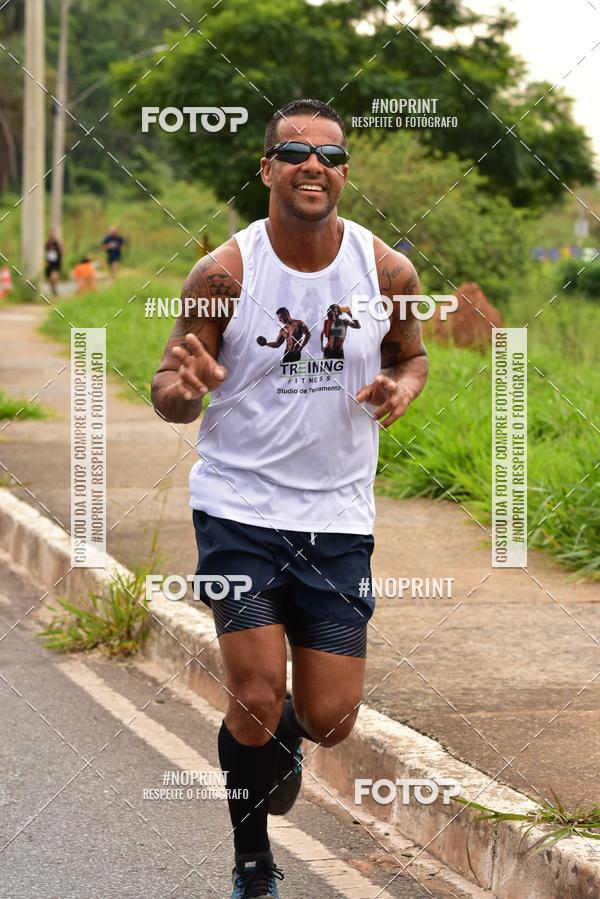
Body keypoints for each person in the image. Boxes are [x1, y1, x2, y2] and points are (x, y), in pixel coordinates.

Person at [151, 98, 428, 898]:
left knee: (333, 716)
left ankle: (284, 747)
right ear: (268, 168)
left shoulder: (387, 271)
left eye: (333, 156)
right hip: (238, 505)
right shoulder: (226, 273)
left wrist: (400, 386)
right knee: (258, 692)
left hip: (338, 514)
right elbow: (170, 383)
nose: (316, 165)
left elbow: (413, 356)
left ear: (344, 175)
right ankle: (252, 860)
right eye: (298, 152)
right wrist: (187, 390)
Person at [44, 230, 64, 297]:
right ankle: (53, 289)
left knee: (54, 276)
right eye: (50, 233)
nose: (51, 235)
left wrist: (61, 252)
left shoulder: (58, 242)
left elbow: (63, 250)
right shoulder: (47, 243)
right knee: (49, 277)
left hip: (56, 262)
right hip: (49, 262)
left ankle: (54, 288)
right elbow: (44, 252)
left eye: (53, 233)